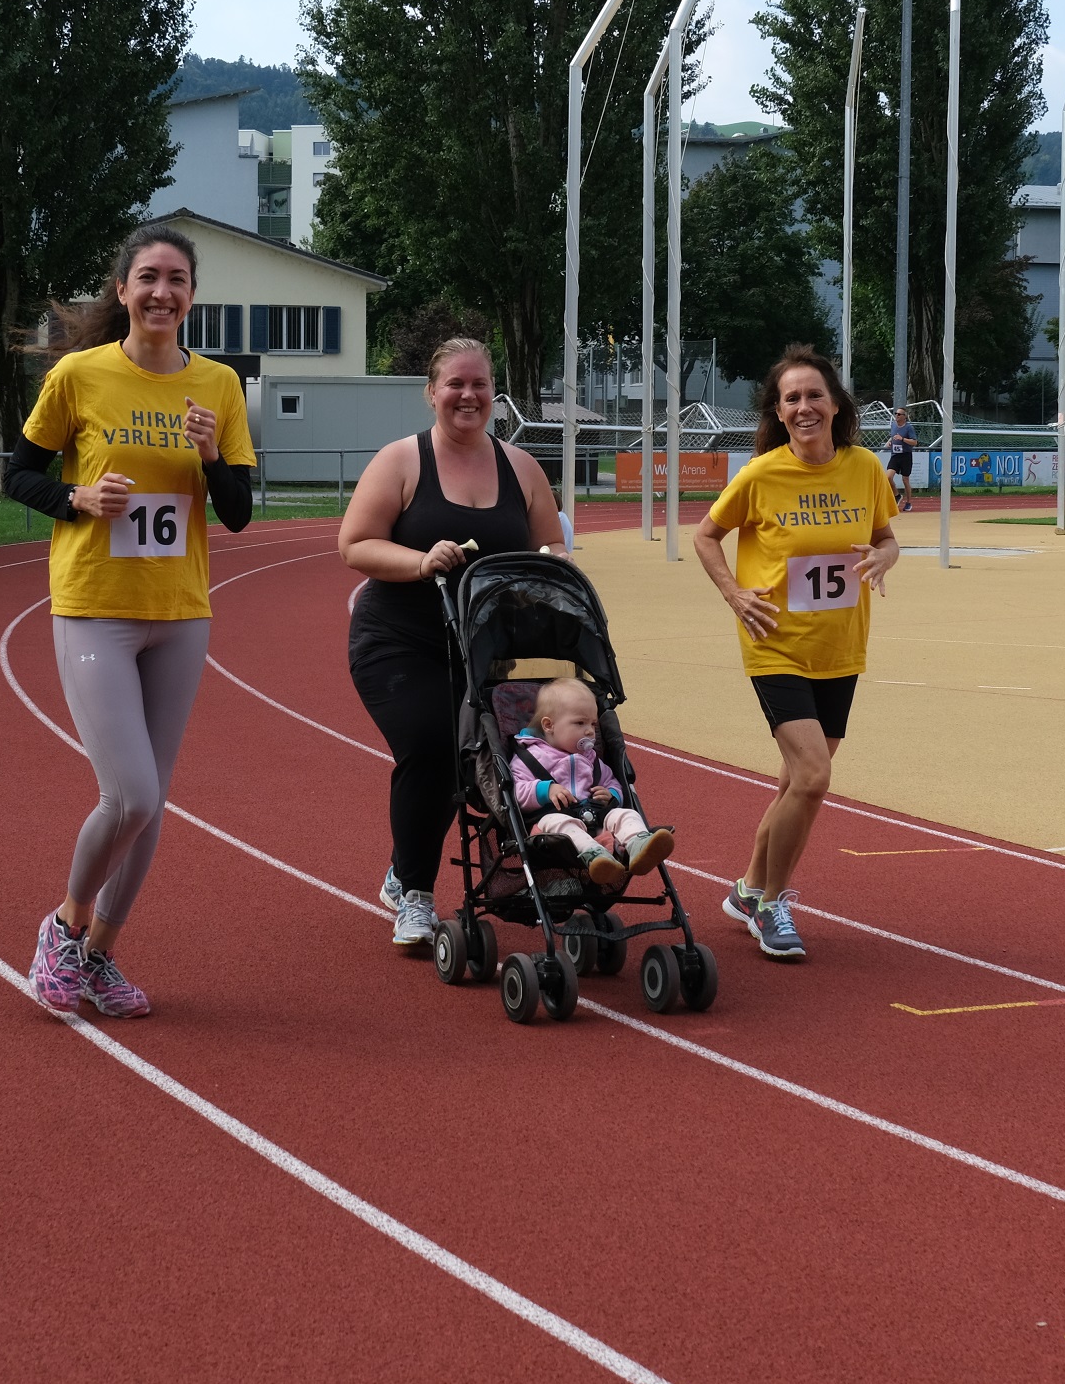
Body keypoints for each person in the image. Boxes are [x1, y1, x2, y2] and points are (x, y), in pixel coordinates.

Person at [4, 224, 256, 1018]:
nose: (161, 292)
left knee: (154, 804)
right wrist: (76, 497)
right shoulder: (80, 375)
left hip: (179, 613)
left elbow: (240, 513)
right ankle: (63, 929)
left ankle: (100, 958)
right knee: (131, 795)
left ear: (192, 297)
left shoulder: (218, 385)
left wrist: (212, 457)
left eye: (176, 279)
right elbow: (17, 475)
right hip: (95, 607)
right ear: (122, 291)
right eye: (148, 277)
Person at [341, 340, 569, 948]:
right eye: (455, 384)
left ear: (494, 392)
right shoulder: (401, 460)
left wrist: (548, 571)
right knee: (433, 745)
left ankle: (409, 868)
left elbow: (552, 546)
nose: (468, 395)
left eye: (480, 384)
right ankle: (415, 893)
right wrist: (421, 561)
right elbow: (354, 544)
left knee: (487, 761)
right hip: (399, 641)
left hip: (484, 650)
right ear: (432, 392)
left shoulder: (521, 467)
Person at [691, 345, 898, 961]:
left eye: (814, 395)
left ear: (835, 405)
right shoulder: (761, 475)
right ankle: (770, 902)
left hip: (841, 646)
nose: (804, 407)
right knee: (812, 777)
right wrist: (734, 594)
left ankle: (747, 888)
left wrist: (885, 556)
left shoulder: (864, 467)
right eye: (791, 399)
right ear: (778, 413)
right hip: (775, 643)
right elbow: (705, 536)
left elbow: (885, 537)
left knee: (793, 782)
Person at [508, 678, 676, 889]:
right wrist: (545, 790)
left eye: (593, 724)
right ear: (549, 725)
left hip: (595, 821)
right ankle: (595, 856)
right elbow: (515, 791)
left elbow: (611, 780)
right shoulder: (530, 757)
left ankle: (638, 844)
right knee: (559, 821)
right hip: (550, 830)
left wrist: (611, 794)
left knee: (625, 814)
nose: (589, 731)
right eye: (580, 723)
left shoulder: (592, 759)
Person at [884, 407, 917, 512]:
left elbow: (914, 442)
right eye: (896, 413)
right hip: (895, 455)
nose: (896, 416)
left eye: (899, 414)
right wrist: (890, 442)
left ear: (904, 417)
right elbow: (892, 437)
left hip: (905, 455)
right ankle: (897, 495)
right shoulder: (893, 425)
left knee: (905, 479)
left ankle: (908, 502)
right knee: (887, 477)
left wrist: (902, 439)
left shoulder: (908, 428)